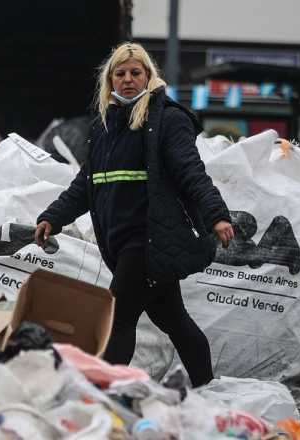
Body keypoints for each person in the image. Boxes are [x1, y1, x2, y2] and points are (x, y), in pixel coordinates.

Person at [33, 42, 233, 387]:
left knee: (118, 318)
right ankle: (207, 387)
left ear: (148, 76)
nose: (128, 80)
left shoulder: (166, 119)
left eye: (135, 73)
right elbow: (86, 184)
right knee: (175, 321)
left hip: (149, 240)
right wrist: (53, 217)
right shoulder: (104, 126)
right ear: (110, 81)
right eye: (120, 74)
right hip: (120, 242)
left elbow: (191, 171)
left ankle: (103, 394)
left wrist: (216, 214)